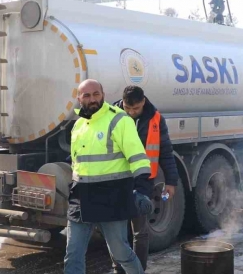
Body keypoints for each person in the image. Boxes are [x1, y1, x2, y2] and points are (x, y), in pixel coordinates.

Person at [64, 79, 154, 274]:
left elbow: (139, 159)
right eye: (86, 95)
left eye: (96, 94)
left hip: (112, 197)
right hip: (80, 199)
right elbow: (77, 163)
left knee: (120, 252)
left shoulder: (120, 120)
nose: (92, 99)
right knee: (73, 254)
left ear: (103, 95)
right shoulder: (78, 126)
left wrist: (141, 191)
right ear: (79, 98)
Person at [111, 85, 179, 273]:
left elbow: (165, 151)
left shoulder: (156, 119)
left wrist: (171, 182)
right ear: (122, 102)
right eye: (128, 108)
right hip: (116, 180)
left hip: (142, 181)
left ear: (143, 102)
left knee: (139, 231)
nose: (131, 113)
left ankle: (139, 269)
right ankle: (119, 269)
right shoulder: (112, 115)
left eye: (135, 109)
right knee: (117, 231)